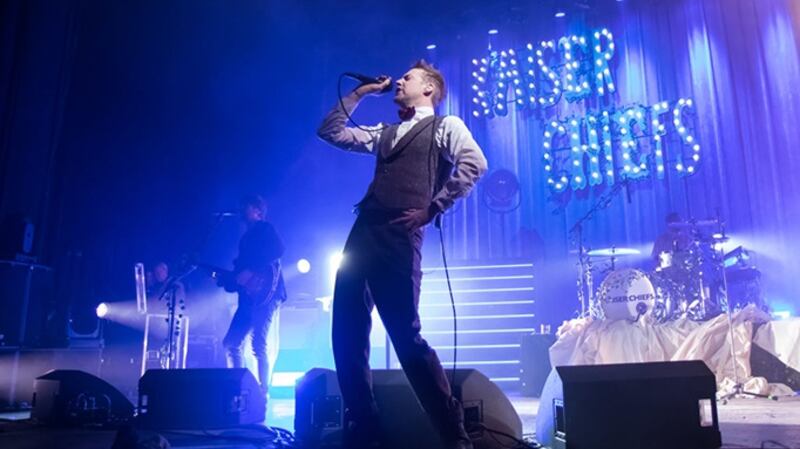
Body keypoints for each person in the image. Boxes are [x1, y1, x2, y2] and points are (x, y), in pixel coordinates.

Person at [317, 60, 487, 449]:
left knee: (405, 336)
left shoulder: (446, 126)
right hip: (363, 233)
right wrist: (361, 92)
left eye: (408, 77)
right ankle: (365, 428)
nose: (400, 80)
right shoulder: (386, 132)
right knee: (346, 330)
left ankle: (454, 434)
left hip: (399, 236)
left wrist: (434, 208)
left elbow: (474, 163)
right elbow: (330, 131)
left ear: (428, 88)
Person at [221, 194, 287, 400]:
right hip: (248, 298)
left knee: (257, 343)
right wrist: (228, 281)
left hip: (267, 294)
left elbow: (278, 249)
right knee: (231, 343)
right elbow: (239, 276)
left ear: (258, 211)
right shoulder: (245, 238)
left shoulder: (265, 229)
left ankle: (262, 392)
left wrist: (250, 271)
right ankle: (237, 390)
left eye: (246, 206)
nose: (242, 210)